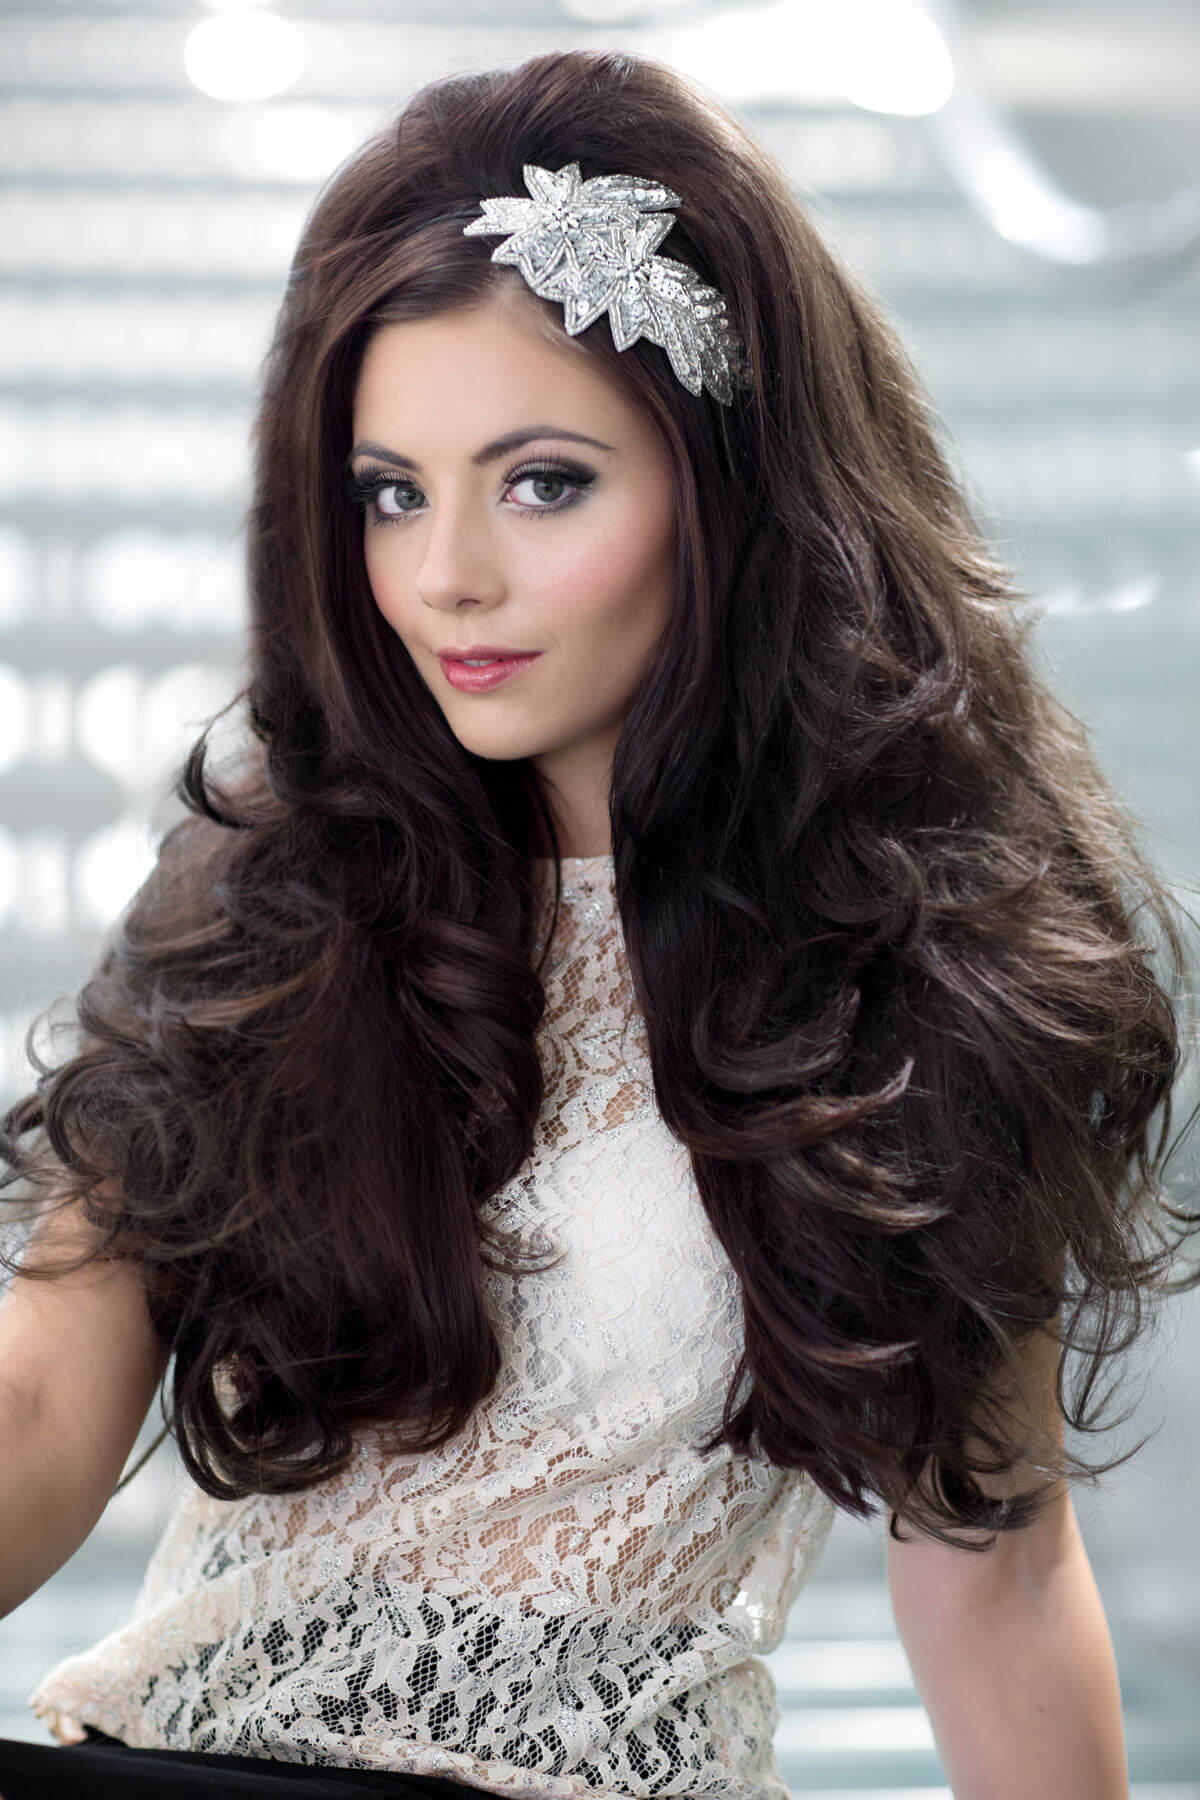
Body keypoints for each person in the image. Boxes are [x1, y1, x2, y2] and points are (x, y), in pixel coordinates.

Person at [0, 43, 1195, 1800]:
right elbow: (38, 1405)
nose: (444, 576)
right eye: (390, 490)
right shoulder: (267, 901)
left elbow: (1003, 1578)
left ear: (729, 495)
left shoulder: (918, 972)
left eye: (542, 481)